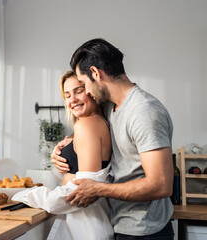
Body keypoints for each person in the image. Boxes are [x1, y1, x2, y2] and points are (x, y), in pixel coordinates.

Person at [51, 38, 174, 239]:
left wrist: (98, 189)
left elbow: (161, 185)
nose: (86, 92)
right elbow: (91, 127)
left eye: (82, 84)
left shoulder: (144, 112)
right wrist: (61, 148)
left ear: (96, 73)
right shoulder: (110, 106)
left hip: (145, 232)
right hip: (119, 224)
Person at [12, 71, 114, 240]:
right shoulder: (94, 123)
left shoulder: (87, 125)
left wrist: (26, 194)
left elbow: (81, 193)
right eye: (67, 95)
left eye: (78, 91)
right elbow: (74, 176)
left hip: (86, 227)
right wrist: (59, 157)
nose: (72, 100)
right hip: (84, 224)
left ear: (91, 90)